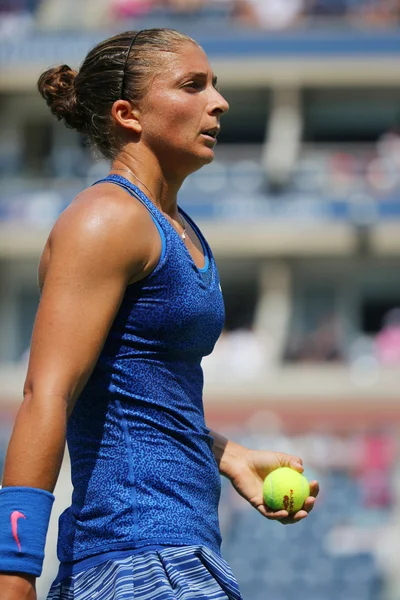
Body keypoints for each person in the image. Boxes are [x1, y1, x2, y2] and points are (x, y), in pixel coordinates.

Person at [0, 28, 319, 600]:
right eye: (192, 86)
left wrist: (227, 454)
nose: (218, 102)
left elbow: (136, 393)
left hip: (173, 556)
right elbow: (44, 396)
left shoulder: (176, 226)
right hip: (139, 562)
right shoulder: (105, 220)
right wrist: (14, 574)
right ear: (129, 114)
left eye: (215, 86)